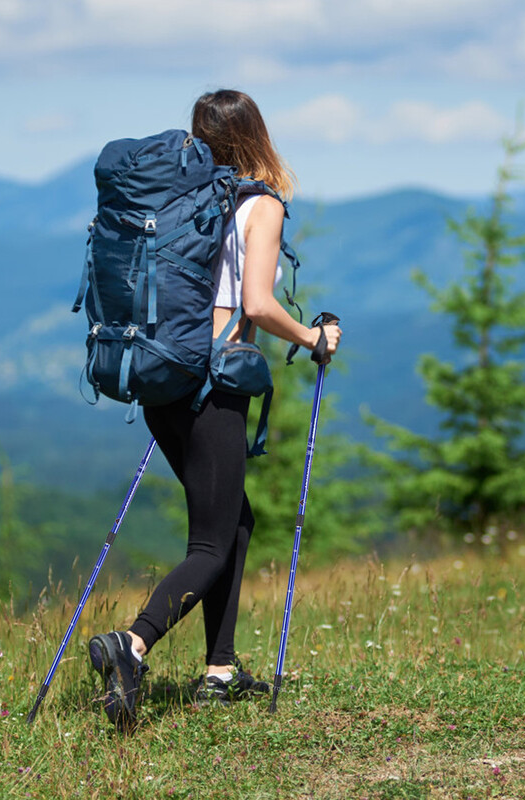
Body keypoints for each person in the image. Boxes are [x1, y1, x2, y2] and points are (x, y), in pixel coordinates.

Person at [88, 89, 341, 728]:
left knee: (235, 522)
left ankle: (220, 670)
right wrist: (313, 337)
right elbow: (256, 304)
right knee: (211, 541)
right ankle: (132, 645)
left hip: (163, 386)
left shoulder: (185, 202)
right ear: (257, 134)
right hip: (213, 388)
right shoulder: (260, 205)